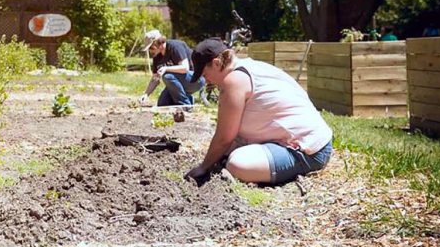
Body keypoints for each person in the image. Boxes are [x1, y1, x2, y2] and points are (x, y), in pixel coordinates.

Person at [185, 38, 333, 185]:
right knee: (226, 152)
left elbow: (224, 138)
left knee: (237, 164)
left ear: (217, 63)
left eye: (205, 75)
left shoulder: (234, 81)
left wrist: (203, 167)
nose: (207, 81)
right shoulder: (248, 66)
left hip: (309, 151)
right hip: (317, 141)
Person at [138, 30, 205, 107]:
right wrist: (146, 94)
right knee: (162, 104)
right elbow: (155, 78)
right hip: (180, 82)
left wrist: (166, 68)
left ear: (158, 43)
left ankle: (186, 105)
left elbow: (185, 68)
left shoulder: (175, 46)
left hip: (196, 79)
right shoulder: (157, 56)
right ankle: (188, 98)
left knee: (167, 76)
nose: (150, 51)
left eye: (151, 48)